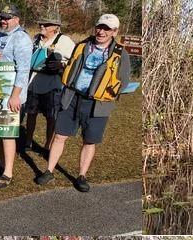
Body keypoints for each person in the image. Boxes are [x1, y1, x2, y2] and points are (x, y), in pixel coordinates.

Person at [35, 13, 131, 193]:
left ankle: (81, 176)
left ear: (114, 32)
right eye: (100, 27)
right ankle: (49, 171)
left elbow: (124, 80)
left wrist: (108, 93)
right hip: (72, 97)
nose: (101, 32)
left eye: (107, 29)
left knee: (89, 140)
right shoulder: (82, 45)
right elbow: (72, 65)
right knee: (59, 136)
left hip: (98, 103)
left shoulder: (121, 53)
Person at [0, 4, 32, 187]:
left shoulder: (22, 39)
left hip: (12, 94)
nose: (3, 21)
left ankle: (8, 174)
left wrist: (15, 96)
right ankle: (2, 164)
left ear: (17, 19)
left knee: (8, 133)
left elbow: (24, 70)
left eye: (7, 18)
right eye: (1, 17)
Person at [22, 15, 74, 153]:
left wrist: (62, 65)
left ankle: (48, 145)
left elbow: (75, 61)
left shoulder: (64, 41)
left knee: (51, 116)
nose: (42, 26)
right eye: (41, 23)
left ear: (55, 27)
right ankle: (28, 142)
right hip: (32, 83)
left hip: (52, 85)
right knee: (30, 113)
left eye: (46, 24)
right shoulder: (35, 39)